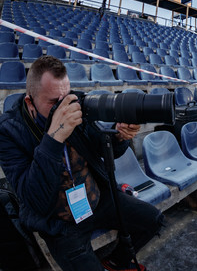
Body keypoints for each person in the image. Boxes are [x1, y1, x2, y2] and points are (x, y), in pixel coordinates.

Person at [0, 56, 164, 271]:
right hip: (57, 219)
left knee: (153, 219)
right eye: (53, 103)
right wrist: (55, 137)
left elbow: (102, 148)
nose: (63, 108)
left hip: (94, 198)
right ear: (30, 102)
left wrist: (119, 136)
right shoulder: (8, 131)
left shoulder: (76, 104)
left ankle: (116, 261)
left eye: (65, 98)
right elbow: (35, 199)